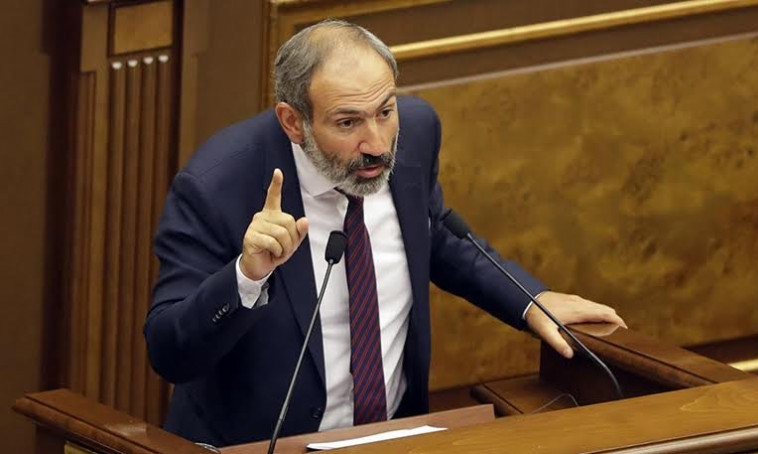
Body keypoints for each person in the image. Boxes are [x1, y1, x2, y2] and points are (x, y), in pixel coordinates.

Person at [144, 19, 626, 447]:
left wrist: (530, 301)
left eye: (384, 111)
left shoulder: (416, 131)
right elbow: (169, 352)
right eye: (348, 122)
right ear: (293, 122)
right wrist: (246, 277)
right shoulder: (216, 186)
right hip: (260, 446)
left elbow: (434, 234)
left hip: (393, 439)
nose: (376, 144)